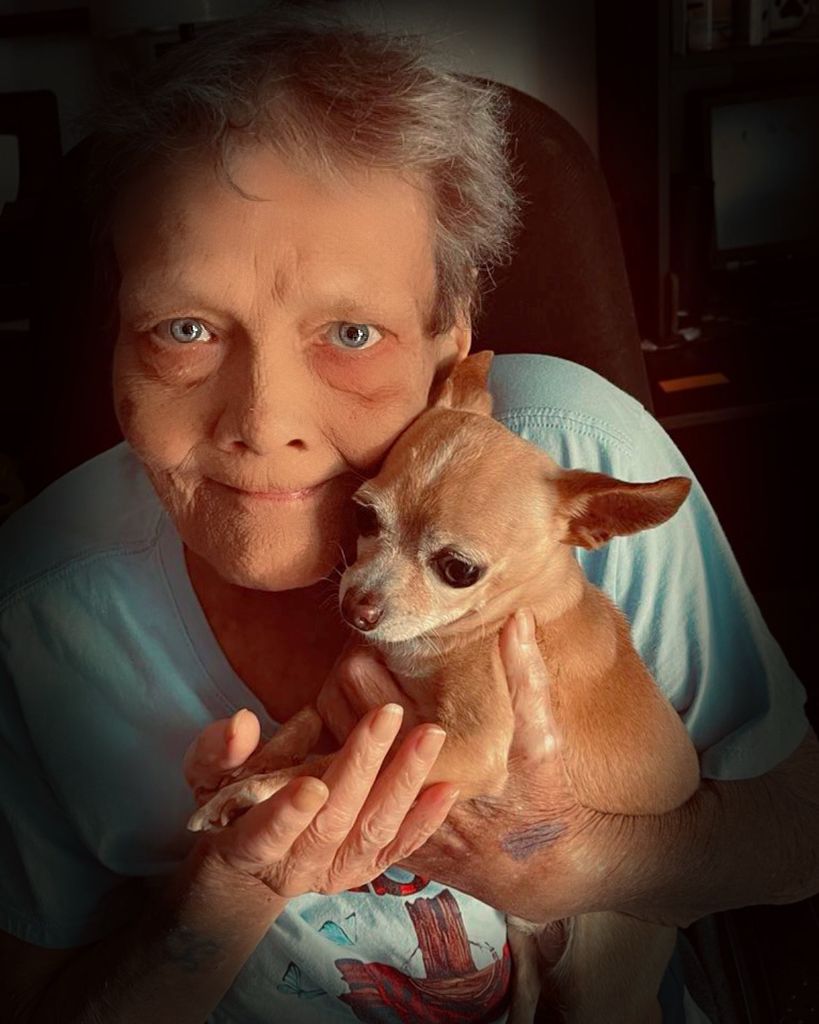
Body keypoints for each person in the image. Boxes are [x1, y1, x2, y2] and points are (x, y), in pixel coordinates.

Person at [1, 9, 816, 1024]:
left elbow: (796, 837)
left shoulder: (576, 462)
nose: (264, 423)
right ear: (118, 337)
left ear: (450, 339)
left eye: (351, 332)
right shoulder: (32, 610)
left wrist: (574, 859)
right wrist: (223, 900)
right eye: (185, 327)